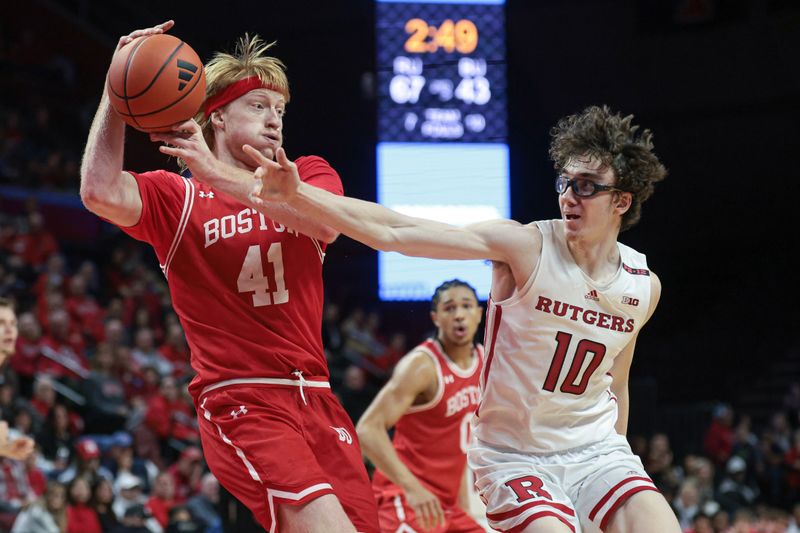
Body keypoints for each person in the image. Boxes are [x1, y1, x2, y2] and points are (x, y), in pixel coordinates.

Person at [247, 105, 681, 532]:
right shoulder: (525, 247)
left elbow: (615, 383)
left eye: (587, 187)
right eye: (564, 181)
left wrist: (618, 468)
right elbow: (397, 232)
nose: (569, 195)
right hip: (515, 457)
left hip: (596, 452)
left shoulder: (643, 285)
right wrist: (298, 194)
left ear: (622, 200)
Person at [79, 21, 378, 533]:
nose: (274, 121)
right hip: (243, 397)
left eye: (280, 110)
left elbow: (327, 224)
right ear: (215, 115)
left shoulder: (304, 173)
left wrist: (219, 174)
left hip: (317, 394)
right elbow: (99, 191)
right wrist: (114, 91)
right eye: (258, 106)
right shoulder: (176, 197)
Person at [357, 279, 486, 533]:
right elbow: (367, 430)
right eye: (449, 308)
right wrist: (412, 489)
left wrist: (465, 508)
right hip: (408, 498)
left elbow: (461, 444)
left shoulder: (484, 362)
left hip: (447, 505)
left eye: (466, 306)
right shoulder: (421, 366)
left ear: (479, 314)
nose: (459, 315)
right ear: (435, 317)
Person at [0, 298, 34, 461]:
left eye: (12, 323)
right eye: (1, 323)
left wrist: (6, 449)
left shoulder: (9, 372)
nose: (9, 330)